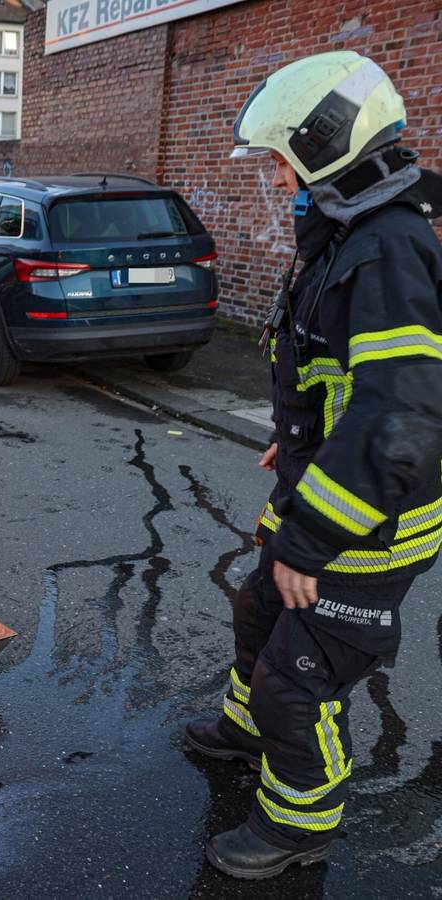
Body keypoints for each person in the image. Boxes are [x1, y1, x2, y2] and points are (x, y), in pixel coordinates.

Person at [185, 51, 442, 879]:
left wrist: (309, 541)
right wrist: (297, 443)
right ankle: (248, 731)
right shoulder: (350, 235)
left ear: (327, 146)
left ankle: (301, 822)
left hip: (367, 528)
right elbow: (346, 383)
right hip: (324, 491)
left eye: (284, 156)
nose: (279, 173)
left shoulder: (386, 250)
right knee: (258, 611)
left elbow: (402, 415)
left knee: (299, 677)